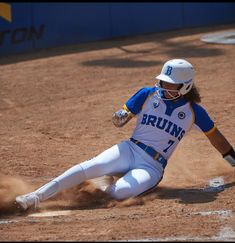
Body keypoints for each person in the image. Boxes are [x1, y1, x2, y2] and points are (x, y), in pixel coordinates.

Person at [15, 58, 235, 211]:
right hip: (129, 149)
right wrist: (121, 116)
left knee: (119, 193)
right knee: (85, 168)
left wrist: (233, 160)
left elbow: (215, 137)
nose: (163, 85)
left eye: (170, 84)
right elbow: (122, 116)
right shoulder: (148, 94)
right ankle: (35, 197)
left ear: (185, 86)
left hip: (152, 166)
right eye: (163, 81)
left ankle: (102, 185)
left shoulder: (194, 112)